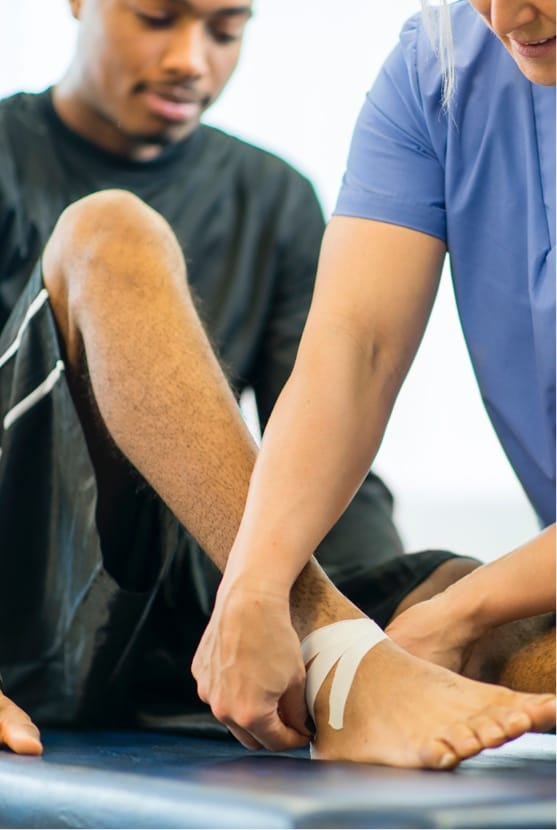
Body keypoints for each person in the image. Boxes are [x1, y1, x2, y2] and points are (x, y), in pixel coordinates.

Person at [0, 0, 494, 759]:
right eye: (158, 18)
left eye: (225, 31)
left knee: (481, 605)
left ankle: (349, 653)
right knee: (108, 230)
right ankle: (342, 654)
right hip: (27, 598)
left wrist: (386, 613)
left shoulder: (275, 196)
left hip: (204, 618)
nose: (191, 61)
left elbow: (328, 444)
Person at [192, 0, 556, 766]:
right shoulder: (440, 64)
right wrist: (252, 586)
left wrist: (459, 612)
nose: (502, 17)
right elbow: (353, 349)